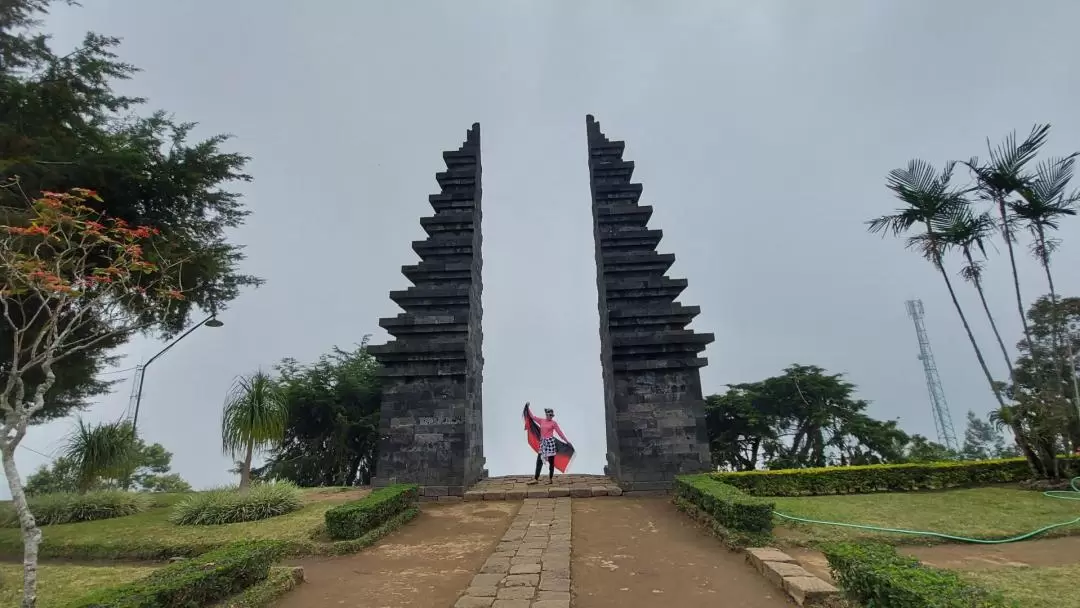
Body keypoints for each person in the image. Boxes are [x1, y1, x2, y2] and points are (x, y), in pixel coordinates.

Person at [525, 402, 570, 484]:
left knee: (551, 461)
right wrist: (527, 408)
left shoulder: (553, 423)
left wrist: (567, 441)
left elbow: (560, 433)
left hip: (550, 443)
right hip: (543, 443)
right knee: (539, 460)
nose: (550, 416)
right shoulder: (541, 421)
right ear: (546, 414)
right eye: (549, 415)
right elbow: (532, 417)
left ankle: (550, 479)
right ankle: (536, 479)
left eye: (551, 415)